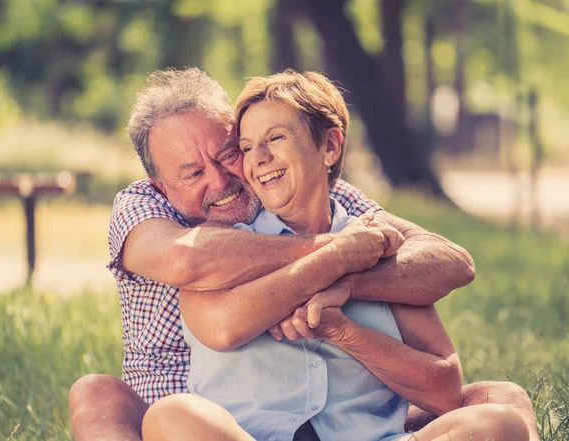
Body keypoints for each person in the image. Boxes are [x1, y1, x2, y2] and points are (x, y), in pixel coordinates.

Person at [68, 68, 539, 441]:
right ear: (162, 185)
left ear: (329, 148)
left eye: (230, 153)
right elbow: (193, 268)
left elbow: (451, 262)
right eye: (192, 172)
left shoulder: (347, 211)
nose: (224, 179)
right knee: (123, 402)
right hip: (198, 418)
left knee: (501, 409)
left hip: (354, 426)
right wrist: (333, 257)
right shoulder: (158, 215)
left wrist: (348, 291)